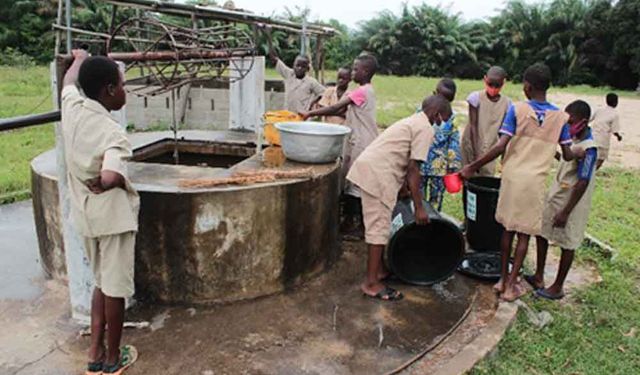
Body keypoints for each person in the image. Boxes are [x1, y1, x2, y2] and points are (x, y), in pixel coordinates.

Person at [460, 63, 584, 302]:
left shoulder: (516, 110)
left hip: (511, 178)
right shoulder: (561, 118)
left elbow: (500, 146)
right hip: (533, 183)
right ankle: (511, 286)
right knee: (523, 236)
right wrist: (580, 152)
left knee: (507, 230)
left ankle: (501, 281)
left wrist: (472, 166)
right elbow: (567, 154)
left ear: (527, 87)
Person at [61, 50, 139, 375]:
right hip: (113, 220)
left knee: (100, 283)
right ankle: (112, 358)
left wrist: (77, 59)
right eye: (122, 85)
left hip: (86, 218)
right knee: (115, 289)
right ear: (109, 90)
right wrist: (117, 180)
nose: (125, 90)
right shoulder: (112, 132)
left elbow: (67, 83)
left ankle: (93, 352)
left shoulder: (73, 110)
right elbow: (108, 175)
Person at [346, 95, 452, 300]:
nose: (441, 124)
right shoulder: (425, 128)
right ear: (436, 114)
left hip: (372, 168)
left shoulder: (412, 121)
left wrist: (403, 188)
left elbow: (401, 155)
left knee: (378, 224)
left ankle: (380, 270)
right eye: (442, 119)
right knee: (379, 227)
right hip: (378, 175)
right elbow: (414, 169)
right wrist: (419, 207)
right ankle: (371, 283)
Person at [525, 100, 598, 300]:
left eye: (570, 121)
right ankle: (539, 276)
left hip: (572, 204)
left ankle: (557, 286)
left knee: (568, 242)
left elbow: (583, 181)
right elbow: (567, 160)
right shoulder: (573, 141)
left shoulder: (589, 148)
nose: (567, 125)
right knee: (541, 232)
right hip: (556, 195)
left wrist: (566, 212)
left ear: (583, 122)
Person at [301, 54, 379, 240]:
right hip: (359, 140)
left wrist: (309, 113)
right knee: (353, 182)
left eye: (355, 69)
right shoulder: (365, 91)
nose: (352, 73)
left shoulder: (361, 91)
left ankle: (357, 226)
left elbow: (336, 108)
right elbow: (344, 109)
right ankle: (351, 222)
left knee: (355, 184)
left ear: (365, 71)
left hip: (362, 142)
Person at [461, 66, 511, 176]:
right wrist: (476, 155)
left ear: (504, 83)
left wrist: (503, 156)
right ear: (485, 80)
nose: (493, 89)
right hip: (472, 143)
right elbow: (473, 126)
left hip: (491, 148)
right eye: (490, 85)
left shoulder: (507, 104)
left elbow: (504, 133)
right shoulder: (475, 98)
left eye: (497, 86)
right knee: (468, 176)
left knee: (486, 176)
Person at [421, 79, 462, 210]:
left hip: (439, 169)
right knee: (418, 196)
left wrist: (453, 165)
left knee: (436, 199)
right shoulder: (421, 112)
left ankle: (434, 222)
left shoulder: (452, 118)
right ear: (434, 94)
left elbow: (453, 143)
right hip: (420, 164)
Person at [266, 30, 325, 114]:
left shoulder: (311, 82)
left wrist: (312, 104)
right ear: (293, 65)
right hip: (288, 114)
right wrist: (268, 35)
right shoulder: (289, 74)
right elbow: (274, 58)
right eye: (297, 65)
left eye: (303, 66)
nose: (299, 68)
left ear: (307, 69)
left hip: (302, 117)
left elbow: (323, 93)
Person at [591, 92, 623, 170]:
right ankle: (591, 173)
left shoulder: (599, 110)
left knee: (591, 157)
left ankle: (588, 171)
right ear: (616, 102)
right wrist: (619, 136)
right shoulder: (615, 114)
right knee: (600, 159)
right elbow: (614, 130)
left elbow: (590, 119)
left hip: (592, 137)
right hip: (603, 140)